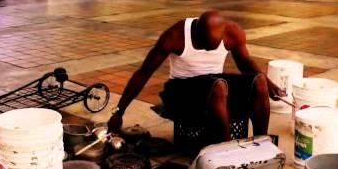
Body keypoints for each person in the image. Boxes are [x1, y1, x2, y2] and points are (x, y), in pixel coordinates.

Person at [107, 10, 286, 143]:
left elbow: (245, 62)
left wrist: (270, 84)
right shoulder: (175, 36)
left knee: (258, 81)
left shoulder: (233, 32)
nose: (208, 50)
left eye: (213, 47)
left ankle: (262, 142)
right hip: (181, 92)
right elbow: (144, 72)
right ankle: (226, 149)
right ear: (195, 33)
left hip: (216, 87)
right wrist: (119, 111)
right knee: (218, 86)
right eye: (204, 46)